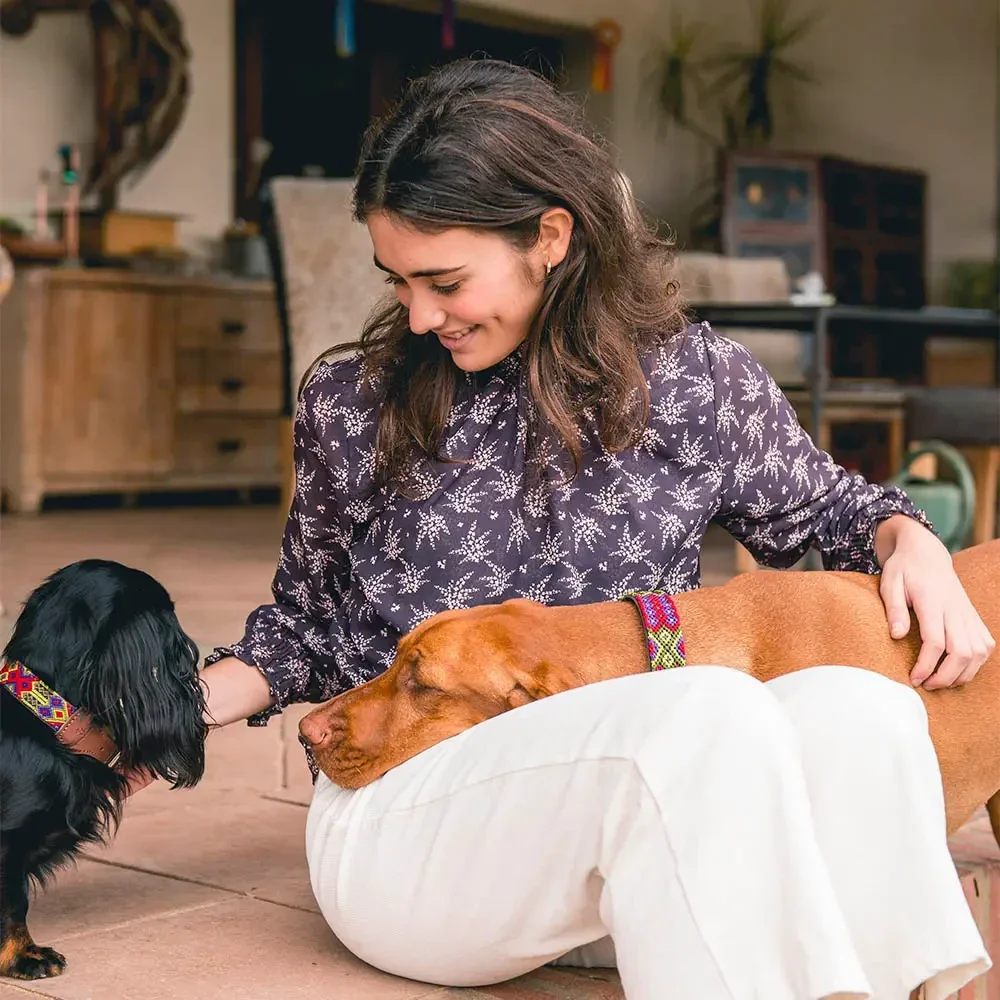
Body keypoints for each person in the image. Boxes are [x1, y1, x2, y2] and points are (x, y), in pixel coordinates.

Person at [201, 58, 995, 1000]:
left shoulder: (696, 382)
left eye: (444, 281)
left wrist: (911, 539)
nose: (417, 317)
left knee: (863, 710)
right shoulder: (353, 400)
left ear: (550, 236)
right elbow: (306, 624)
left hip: (641, 847)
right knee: (706, 707)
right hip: (415, 833)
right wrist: (156, 715)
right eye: (399, 282)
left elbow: (831, 511)